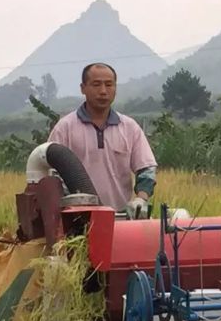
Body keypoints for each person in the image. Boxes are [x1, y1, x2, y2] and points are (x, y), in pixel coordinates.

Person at [47, 62, 157, 219]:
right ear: (83, 88)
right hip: (76, 221)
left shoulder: (129, 128)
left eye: (109, 84)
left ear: (115, 88)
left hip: (120, 219)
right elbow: (51, 175)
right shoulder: (65, 128)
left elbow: (146, 169)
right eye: (96, 84)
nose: (103, 91)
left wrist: (141, 199)